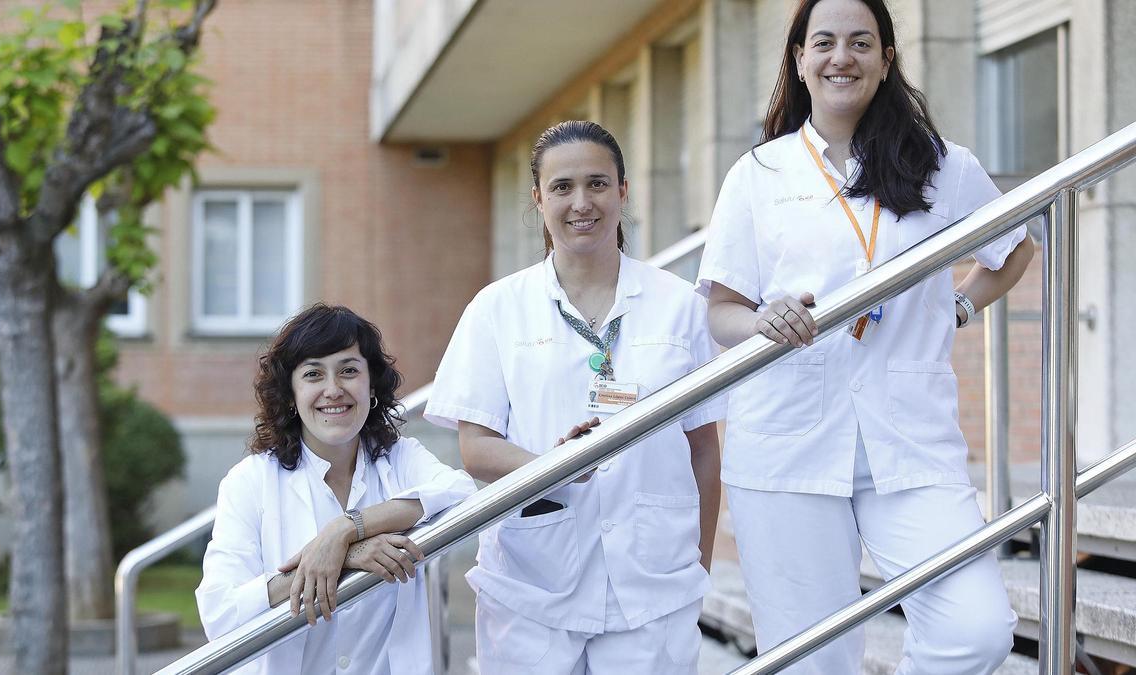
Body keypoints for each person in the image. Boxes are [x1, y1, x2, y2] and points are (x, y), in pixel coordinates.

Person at [696, 0, 1034, 672]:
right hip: (788, 446)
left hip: (909, 440)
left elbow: (1014, 248)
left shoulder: (942, 164)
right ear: (800, 60)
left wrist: (959, 307)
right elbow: (721, 310)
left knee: (976, 629)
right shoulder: (759, 174)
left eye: (860, 42)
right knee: (811, 661)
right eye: (823, 42)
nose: (841, 57)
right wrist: (761, 320)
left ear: (885, 59)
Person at [425, 120, 725, 674]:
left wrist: (698, 565)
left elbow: (703, 448)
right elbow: (476, 447)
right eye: (562, 187)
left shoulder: (679, 305)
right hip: (531, 586)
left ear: (623, 191)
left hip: (654, 587)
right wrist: (555, 467)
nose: (581, 203)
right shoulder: (497, 309)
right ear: (539, 199)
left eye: (597, 184)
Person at [195, 304, 477, 675]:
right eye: (313, 374)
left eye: (348, 371)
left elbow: (461, 493)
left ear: (371, 385)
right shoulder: (250, 481)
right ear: (290, 394)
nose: (333, 390)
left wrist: (346, 529)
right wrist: (342, 558)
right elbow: (220, 613)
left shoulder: (400, 459)